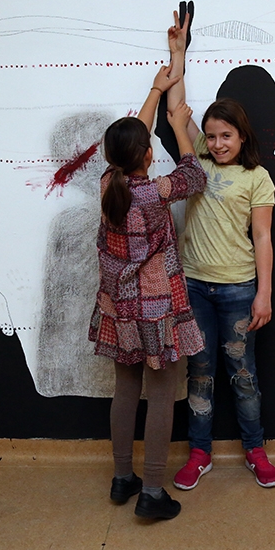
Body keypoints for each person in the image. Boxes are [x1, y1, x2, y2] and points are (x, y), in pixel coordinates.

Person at [164, 10, 275, 490]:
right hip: (194, 287)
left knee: (243, 375)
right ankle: (199, 453)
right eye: (210, 136)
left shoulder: (257, 178)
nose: (216, 143)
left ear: (242, 135)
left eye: (225, 136)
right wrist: (178, 52)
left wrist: (264, 294)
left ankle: (255, 449)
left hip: (238, 290)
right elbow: (177, 107)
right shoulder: (197, 161)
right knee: (200, 373)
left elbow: (263, 238)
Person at [88, 62, 206, 520]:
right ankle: (152, 491)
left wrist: (156, 91)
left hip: (118, 309)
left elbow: (132, 140)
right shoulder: (155, 192)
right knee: (160, 395)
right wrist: (179, 126)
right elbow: (195, 174)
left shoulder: (109, 184)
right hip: (157, 311)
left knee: (125, 391)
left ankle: (123, 477)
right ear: (149, 155)